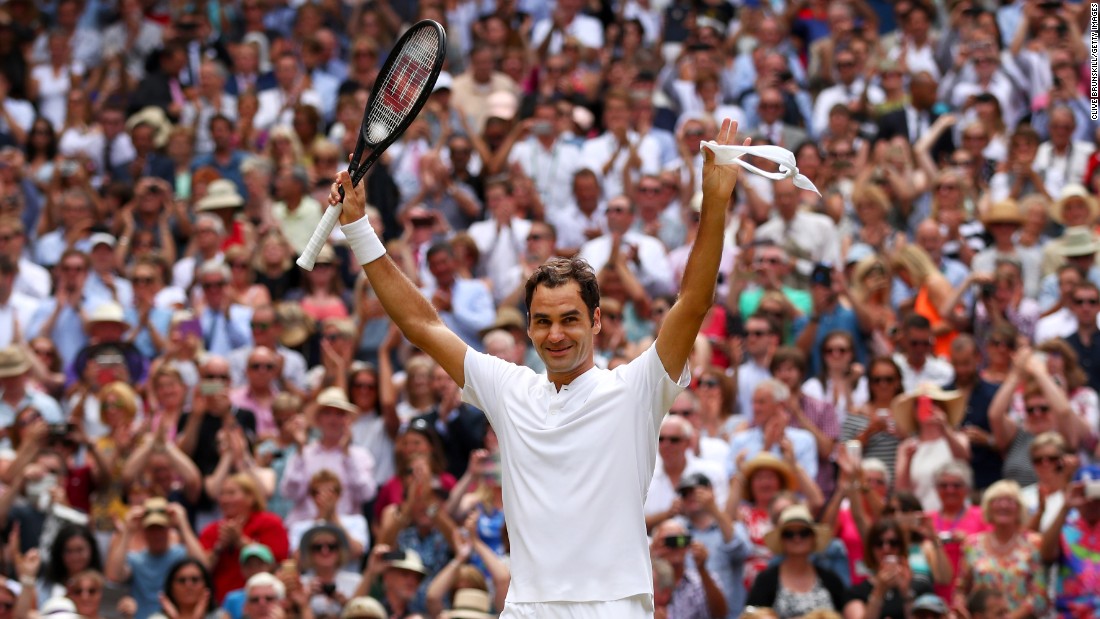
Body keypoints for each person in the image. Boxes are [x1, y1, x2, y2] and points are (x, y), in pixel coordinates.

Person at [329, 118, 749, 617]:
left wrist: (716, 203)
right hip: (528, 606)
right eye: (543, 321)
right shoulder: (509, 389)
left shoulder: (637, 387)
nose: (555, 334)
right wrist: (357, 228)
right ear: (528, 328)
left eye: (570, 319)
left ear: (596, 320)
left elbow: (694, 301)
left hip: (614, 606)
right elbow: (422, 325)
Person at [744, 504, 846, 617]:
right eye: (789, 534)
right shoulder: (766, 580)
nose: (797, 538)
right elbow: (752, 616)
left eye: (804, 533)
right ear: (781, 540)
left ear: (813, 538)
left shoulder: (830, 579)